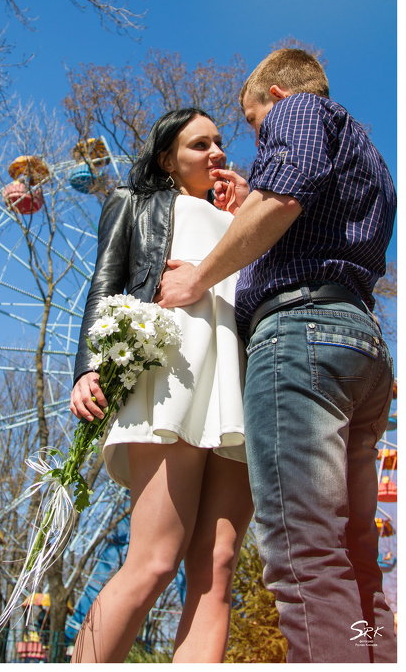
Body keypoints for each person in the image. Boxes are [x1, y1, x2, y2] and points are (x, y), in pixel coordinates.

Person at [156, 49, 397, 663]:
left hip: (301, 341)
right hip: (362, 346)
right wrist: (249, 210)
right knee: (357, 556)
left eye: (252, 119)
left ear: (276, 95)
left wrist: (198, 278)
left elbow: (286, 194)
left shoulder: (300, 110)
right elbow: (304, 216)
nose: (253, 135)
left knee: (302, 550)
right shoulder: (367, 152)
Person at [69, 107, 253, 663]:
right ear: (166, 159)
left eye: (220, 142)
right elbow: (105, 282)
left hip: (238, 381)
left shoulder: (249, 215)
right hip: (172, 373)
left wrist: (248, 212)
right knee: (153, 560)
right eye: (200, 145)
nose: (216, 152)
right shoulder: (134, 203)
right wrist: (88, 366)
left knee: (217, 568)